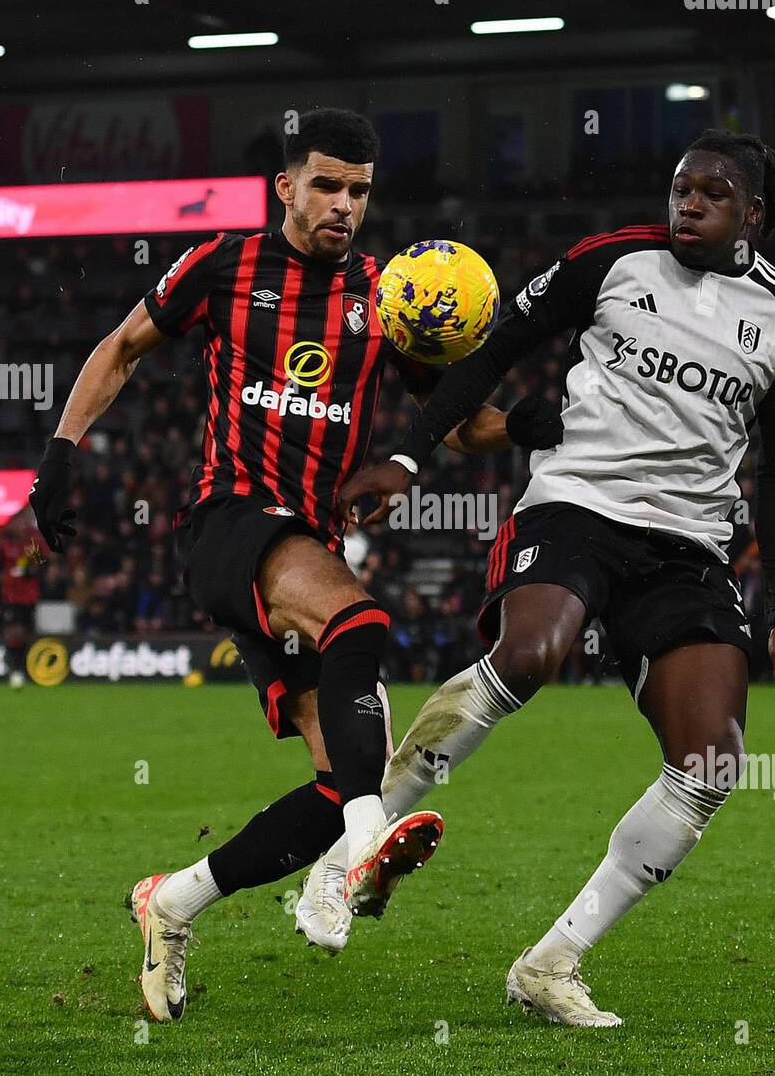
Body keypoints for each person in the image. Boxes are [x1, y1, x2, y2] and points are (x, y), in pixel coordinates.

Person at [29, 107, 560, 1022]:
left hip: (303, 545)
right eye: (324, 184)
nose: (342, 205)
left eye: (357, 190)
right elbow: (120, 348)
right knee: (363, 624)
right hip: (227, 523)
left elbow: (462, 424)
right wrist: (62, 454)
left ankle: (175, 900)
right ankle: (368, 837)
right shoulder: (224, 265)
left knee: (331, 776)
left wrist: (523, 425)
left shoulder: (386, 300)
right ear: (286, 185)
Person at [334, 130, 775, 1027]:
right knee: (529, 654)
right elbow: (492, 353)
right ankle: (350, 856)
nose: (687, 205)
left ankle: (552, 962)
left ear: (751, 214)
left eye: (710, 194)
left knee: (711, 763)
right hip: (576, 505)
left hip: (686, 546)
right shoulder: (612, 262)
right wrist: (406, 459)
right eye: (679, 189)